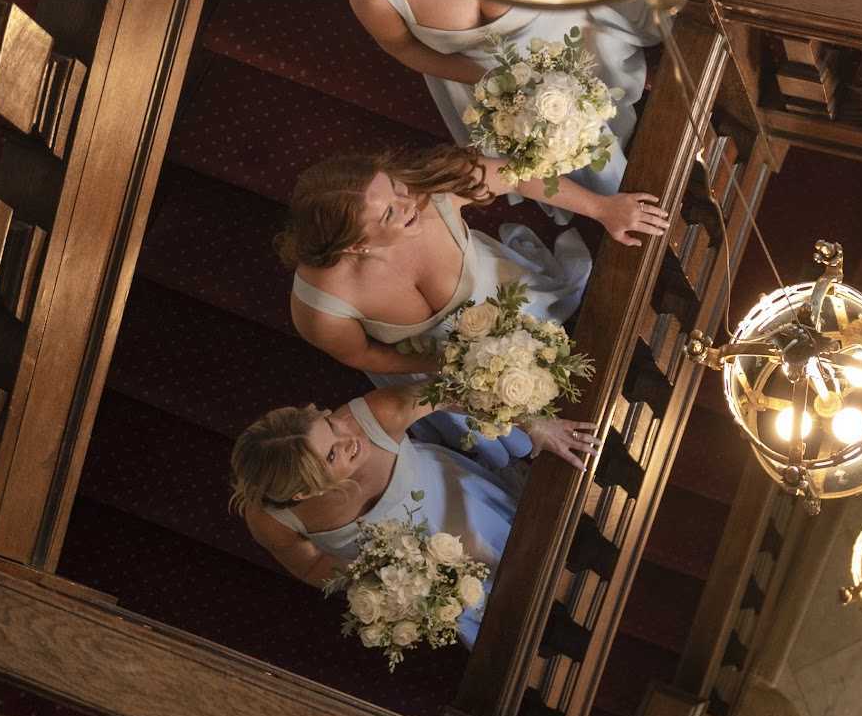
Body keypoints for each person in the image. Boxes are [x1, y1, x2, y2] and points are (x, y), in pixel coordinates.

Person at [282, 142, 667, 463]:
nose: (408, 202)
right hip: (433, 361)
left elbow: (521, 176)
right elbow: (364, 356)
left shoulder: (430, 185)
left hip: (506, 292)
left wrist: (603, 209)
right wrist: (449, 366)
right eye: (389, 212)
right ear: (356, 246)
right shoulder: (322, 307)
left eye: (395, 187)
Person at [229, 385, 595, 645]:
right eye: (331, 456)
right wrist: (389, 583)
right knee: (526, 631)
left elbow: (456, 391)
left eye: (331, 426)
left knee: (557, 554)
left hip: (467, 505)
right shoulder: (272, 521)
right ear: (303, 492)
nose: (348, 437)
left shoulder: (375, 416)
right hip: (430, 575)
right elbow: (311, 567)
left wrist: (535, 426)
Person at [344, 0, 659, 201]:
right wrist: (485, 79)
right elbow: (403, 49)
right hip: (484, 79)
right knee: (565, 147)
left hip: (573, 34)